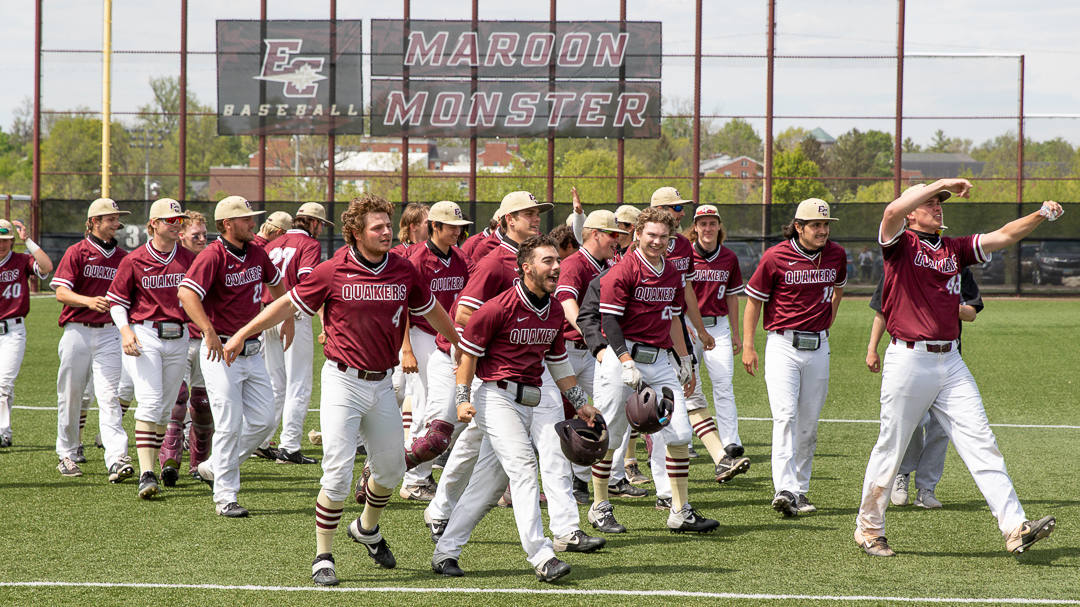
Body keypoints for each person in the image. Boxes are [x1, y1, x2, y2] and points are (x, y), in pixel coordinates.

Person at [219, 193, 460, 586]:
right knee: (335, 476)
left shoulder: (402, 269)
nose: (386, 231)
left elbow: (430, 309)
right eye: (377, 227)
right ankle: (323, 555)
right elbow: (285, 306)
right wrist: (242, 333)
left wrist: (461, 344)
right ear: (356, 233)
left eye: (388, 224)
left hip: (382, 382)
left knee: (391, 470)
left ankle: (366, 528)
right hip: (342, 380)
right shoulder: (333, 269)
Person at [854, 180, 1060, 557]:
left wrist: (1040, 214)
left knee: (981, 441)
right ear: (911, 210)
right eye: (929, 202)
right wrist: (943, 183)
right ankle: (869, 529)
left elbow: (1002, 236)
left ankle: (1015, 527)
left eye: (940, 202)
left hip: (950, 360)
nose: (937, 206)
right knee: (891, 448)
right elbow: (889, 213)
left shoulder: (953, 248)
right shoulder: (899, 245)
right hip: (908, 357)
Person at [423, 191, 604, 555]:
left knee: (550, 450)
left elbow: (554, 348)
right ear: (507, 219)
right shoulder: (494, 263)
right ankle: (440, 511)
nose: (535, 218)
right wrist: (496, 350)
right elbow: (462, 316)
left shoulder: (547, 274)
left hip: (537, 375)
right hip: (491, 376)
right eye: (527, 213)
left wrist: (579, 400)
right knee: (475, 451)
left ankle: (566, 529)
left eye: (538, 213)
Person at [590, 206, 718, 534]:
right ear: (637, 234)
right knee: (612, 436)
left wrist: (685, 359)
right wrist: (624, 360)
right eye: (651, 235)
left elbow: (674, 318)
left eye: (664, 236)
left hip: (660, 359)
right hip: (624, 358)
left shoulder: (673, 274)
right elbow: (609, 321)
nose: (658, 241)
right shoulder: (622, 271)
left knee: (679, 433)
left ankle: (680, 510)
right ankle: (600, 506)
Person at [181, 196, 287, 517]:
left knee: (264, 421)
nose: (253, 223)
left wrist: (287, 313)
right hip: (221, 351)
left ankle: (214, 466)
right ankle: (226, 496)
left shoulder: (256, 251)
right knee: (228, 424)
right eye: (246, 219)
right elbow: (186, 294)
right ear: (227, 224)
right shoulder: (213, 255)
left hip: (252, 351)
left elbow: (278, 286)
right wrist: (208, 332)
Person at [742, 198, 847, 517]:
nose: (823, 230)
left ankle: (800, 490)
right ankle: (784, 488)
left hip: (818, 346)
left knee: (809, 424)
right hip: (782, 345)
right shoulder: (775, 256)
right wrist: (748, 344)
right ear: (798, 227)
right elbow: (753, 301)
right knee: (785, 417)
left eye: (826, 224)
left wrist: (828, 320)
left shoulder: (836, 254)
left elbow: (838, 289)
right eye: (816, 225)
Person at [868, 265, 983, 510]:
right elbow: (881, 310)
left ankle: (926, 488)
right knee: (912, 423)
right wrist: (872, 348)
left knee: (941, 427)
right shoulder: (899, 263)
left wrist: (939, 300)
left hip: (948, 357)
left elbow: (971, 313)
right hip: (911, 356)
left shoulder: (959, 268)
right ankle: (902, 474)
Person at [106, 198, 195, 498]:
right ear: (153, 224)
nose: (176, 225)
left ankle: (150, 465)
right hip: (147, 334)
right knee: (151, 400)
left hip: (180, 335)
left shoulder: (190, 259)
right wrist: (125, 331)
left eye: (179, 221)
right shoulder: (134, 259)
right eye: (170, 220)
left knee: (165, 409)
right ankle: (147, 473)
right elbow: (117, 301)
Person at [553, 209, 641, 503]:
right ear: (595, 234)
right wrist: (596, 343)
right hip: (564, 351)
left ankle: (609, 479)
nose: (618, 241)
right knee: (553, 419)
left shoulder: (609, 263)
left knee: (605, 413)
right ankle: (572, 482)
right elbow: (567, 305)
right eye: (613, 235)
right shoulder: (575, 264)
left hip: (593, 354)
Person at [53, 198, 132, 482]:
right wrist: (88, 301)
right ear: (95, 221)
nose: (116, 223)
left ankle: (116, 457)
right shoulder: (78, 252)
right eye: (110, 218)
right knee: (71, 395)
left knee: (109, 396)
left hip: (110, 332)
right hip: (77, 330)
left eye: (116, 218)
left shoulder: (124, 257)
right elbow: (61, 292)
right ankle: (68, 452)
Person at [398, 201, 472, 501]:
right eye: (451, 227)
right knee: (427, 404)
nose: (457, 231)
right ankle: (414, 479)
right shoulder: (416, 259)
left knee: (444, 407)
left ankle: (409, 468)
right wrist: (406, 348)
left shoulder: (459, 258)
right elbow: (401, 304)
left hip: (449, 337)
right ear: (435, 227)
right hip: (420, 334)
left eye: (459, 227)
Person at [683, 205, 751, 485]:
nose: (707, 228)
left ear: (718, 227)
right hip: (688, 326)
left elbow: (734, 297)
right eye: (703, 223)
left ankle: (731, 443)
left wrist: (737, 333)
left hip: (718, 325)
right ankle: (685, 440)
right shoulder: (685, 256)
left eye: (712, 223)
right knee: (689, 386)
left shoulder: (729, 257)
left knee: (723, 383)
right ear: (695, 227)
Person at [263, 202, 332, 466]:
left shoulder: (273, 244)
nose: (321, 229)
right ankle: (289, 447)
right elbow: (308, 283)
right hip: (294, 315)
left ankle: (262, 440)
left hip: (267, 314)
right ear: (313, 223)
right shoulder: (310, 245)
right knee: (298, 384)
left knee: (274, 384)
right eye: (321, 224)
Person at [159, 211, 213, 484]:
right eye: (196, 235)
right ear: (181, 235)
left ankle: (200, 464)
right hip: (178, 340)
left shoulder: (212, 259)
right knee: (177, 402)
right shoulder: (173, 260)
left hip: (205, 341)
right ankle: (170, 461)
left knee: (202, 405)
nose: (202, 239)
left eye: (205, 234)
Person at [0, 219, 53, 451]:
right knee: (3, 386)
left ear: (12, 240)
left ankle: (1, 432)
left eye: (6, 240)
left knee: (3, 383)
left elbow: (47, 267)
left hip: (13, 330)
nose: (2, 244)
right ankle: (6, 431)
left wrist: (28, 241)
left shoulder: (21, 260)